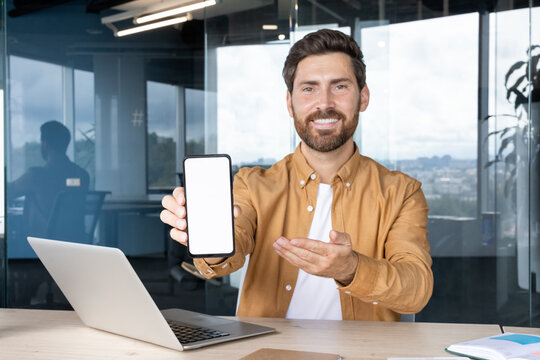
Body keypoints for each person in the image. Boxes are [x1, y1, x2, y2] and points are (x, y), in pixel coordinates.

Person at [161, 29, 433, 321]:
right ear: (290, 103)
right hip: (267, 352)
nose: (324, 103)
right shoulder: (252, 184)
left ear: (363, 98)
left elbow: (416, 289)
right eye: (309, 89)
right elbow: (230, 252)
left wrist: (351, 268)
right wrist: (210, 241)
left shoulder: (401, 192)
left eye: (340, 87)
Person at [8, 120, 90, 239]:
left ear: (45, 144)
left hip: (40, 246)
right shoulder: (82, 176)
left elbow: (8, 192)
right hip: (74, 243)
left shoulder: (36, 176)